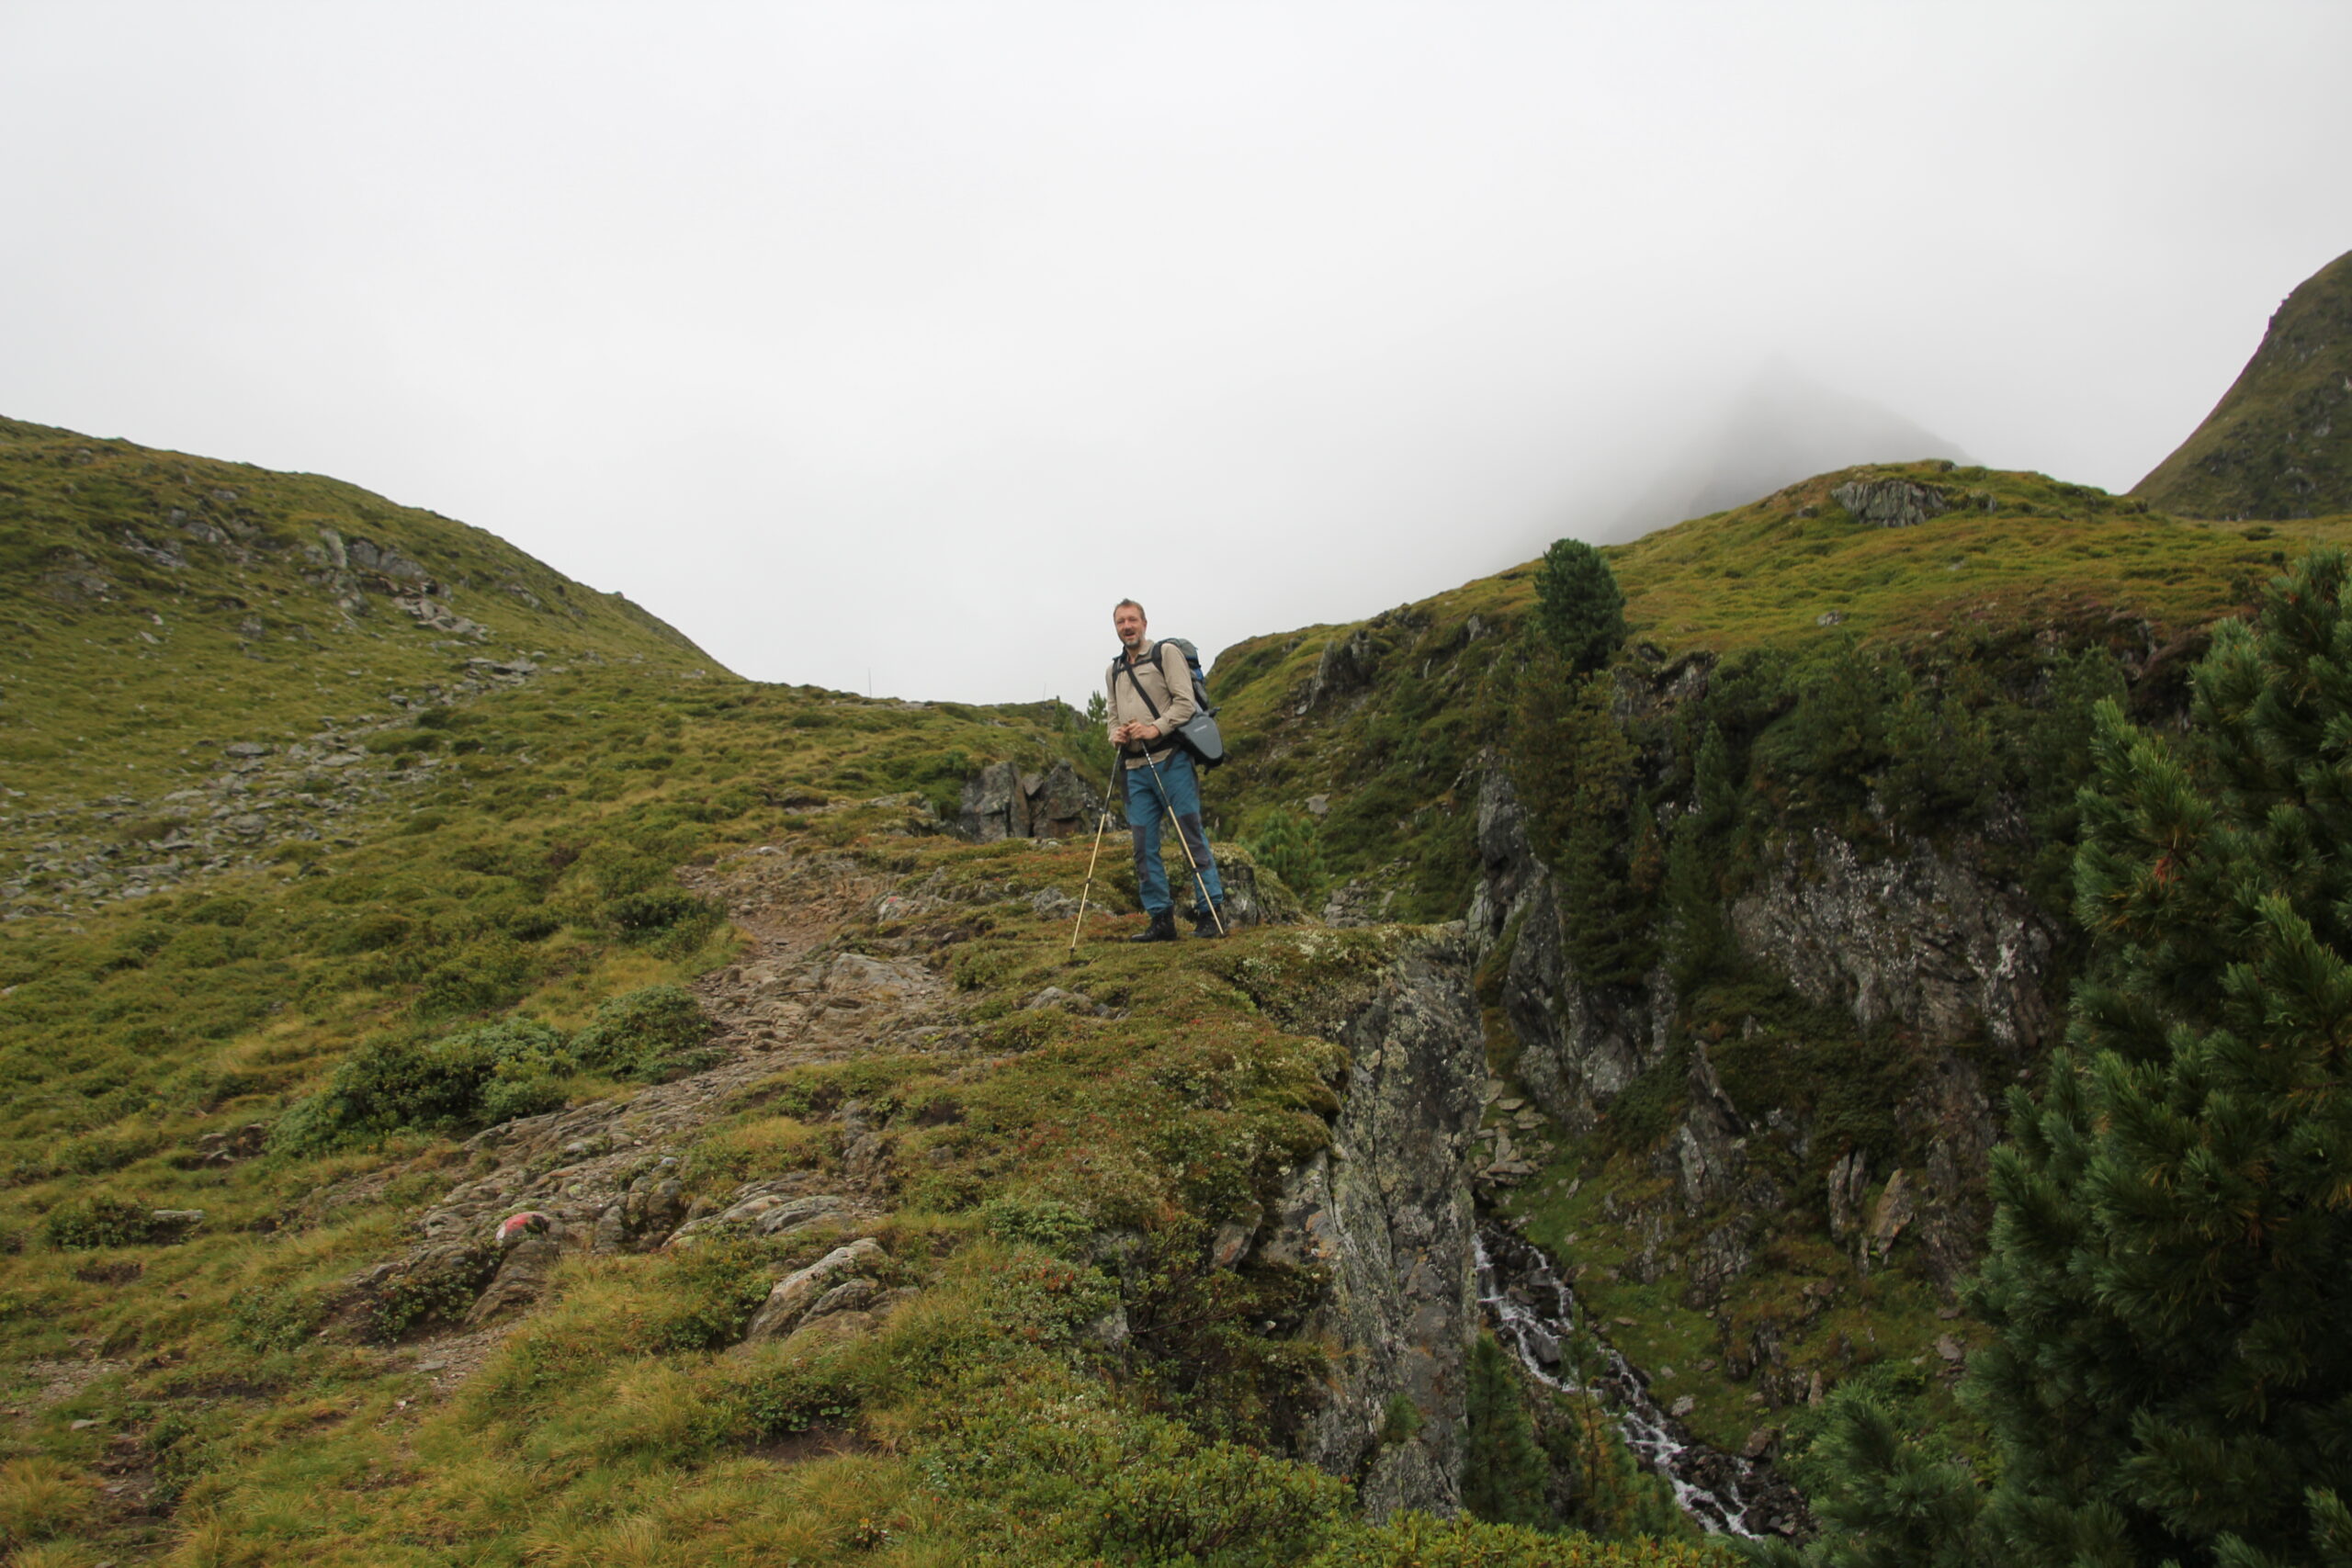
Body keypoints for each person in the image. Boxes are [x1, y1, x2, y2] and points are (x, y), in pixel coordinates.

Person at [1105, 598, 1227, 941]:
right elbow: (1112, 714)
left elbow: (1185, 703)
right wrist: (1115, 734)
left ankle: (1211, 913)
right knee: (1143, 846)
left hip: (1171, 760)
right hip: (1133, 768)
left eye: (1132, 620)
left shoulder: (1165, 654)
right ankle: (1161, 920)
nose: (1127, 627)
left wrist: (1154, 729)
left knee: (1190, 837)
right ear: (1115, 627)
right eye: (1120, 622)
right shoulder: (1113, 670)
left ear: (1144, 623)